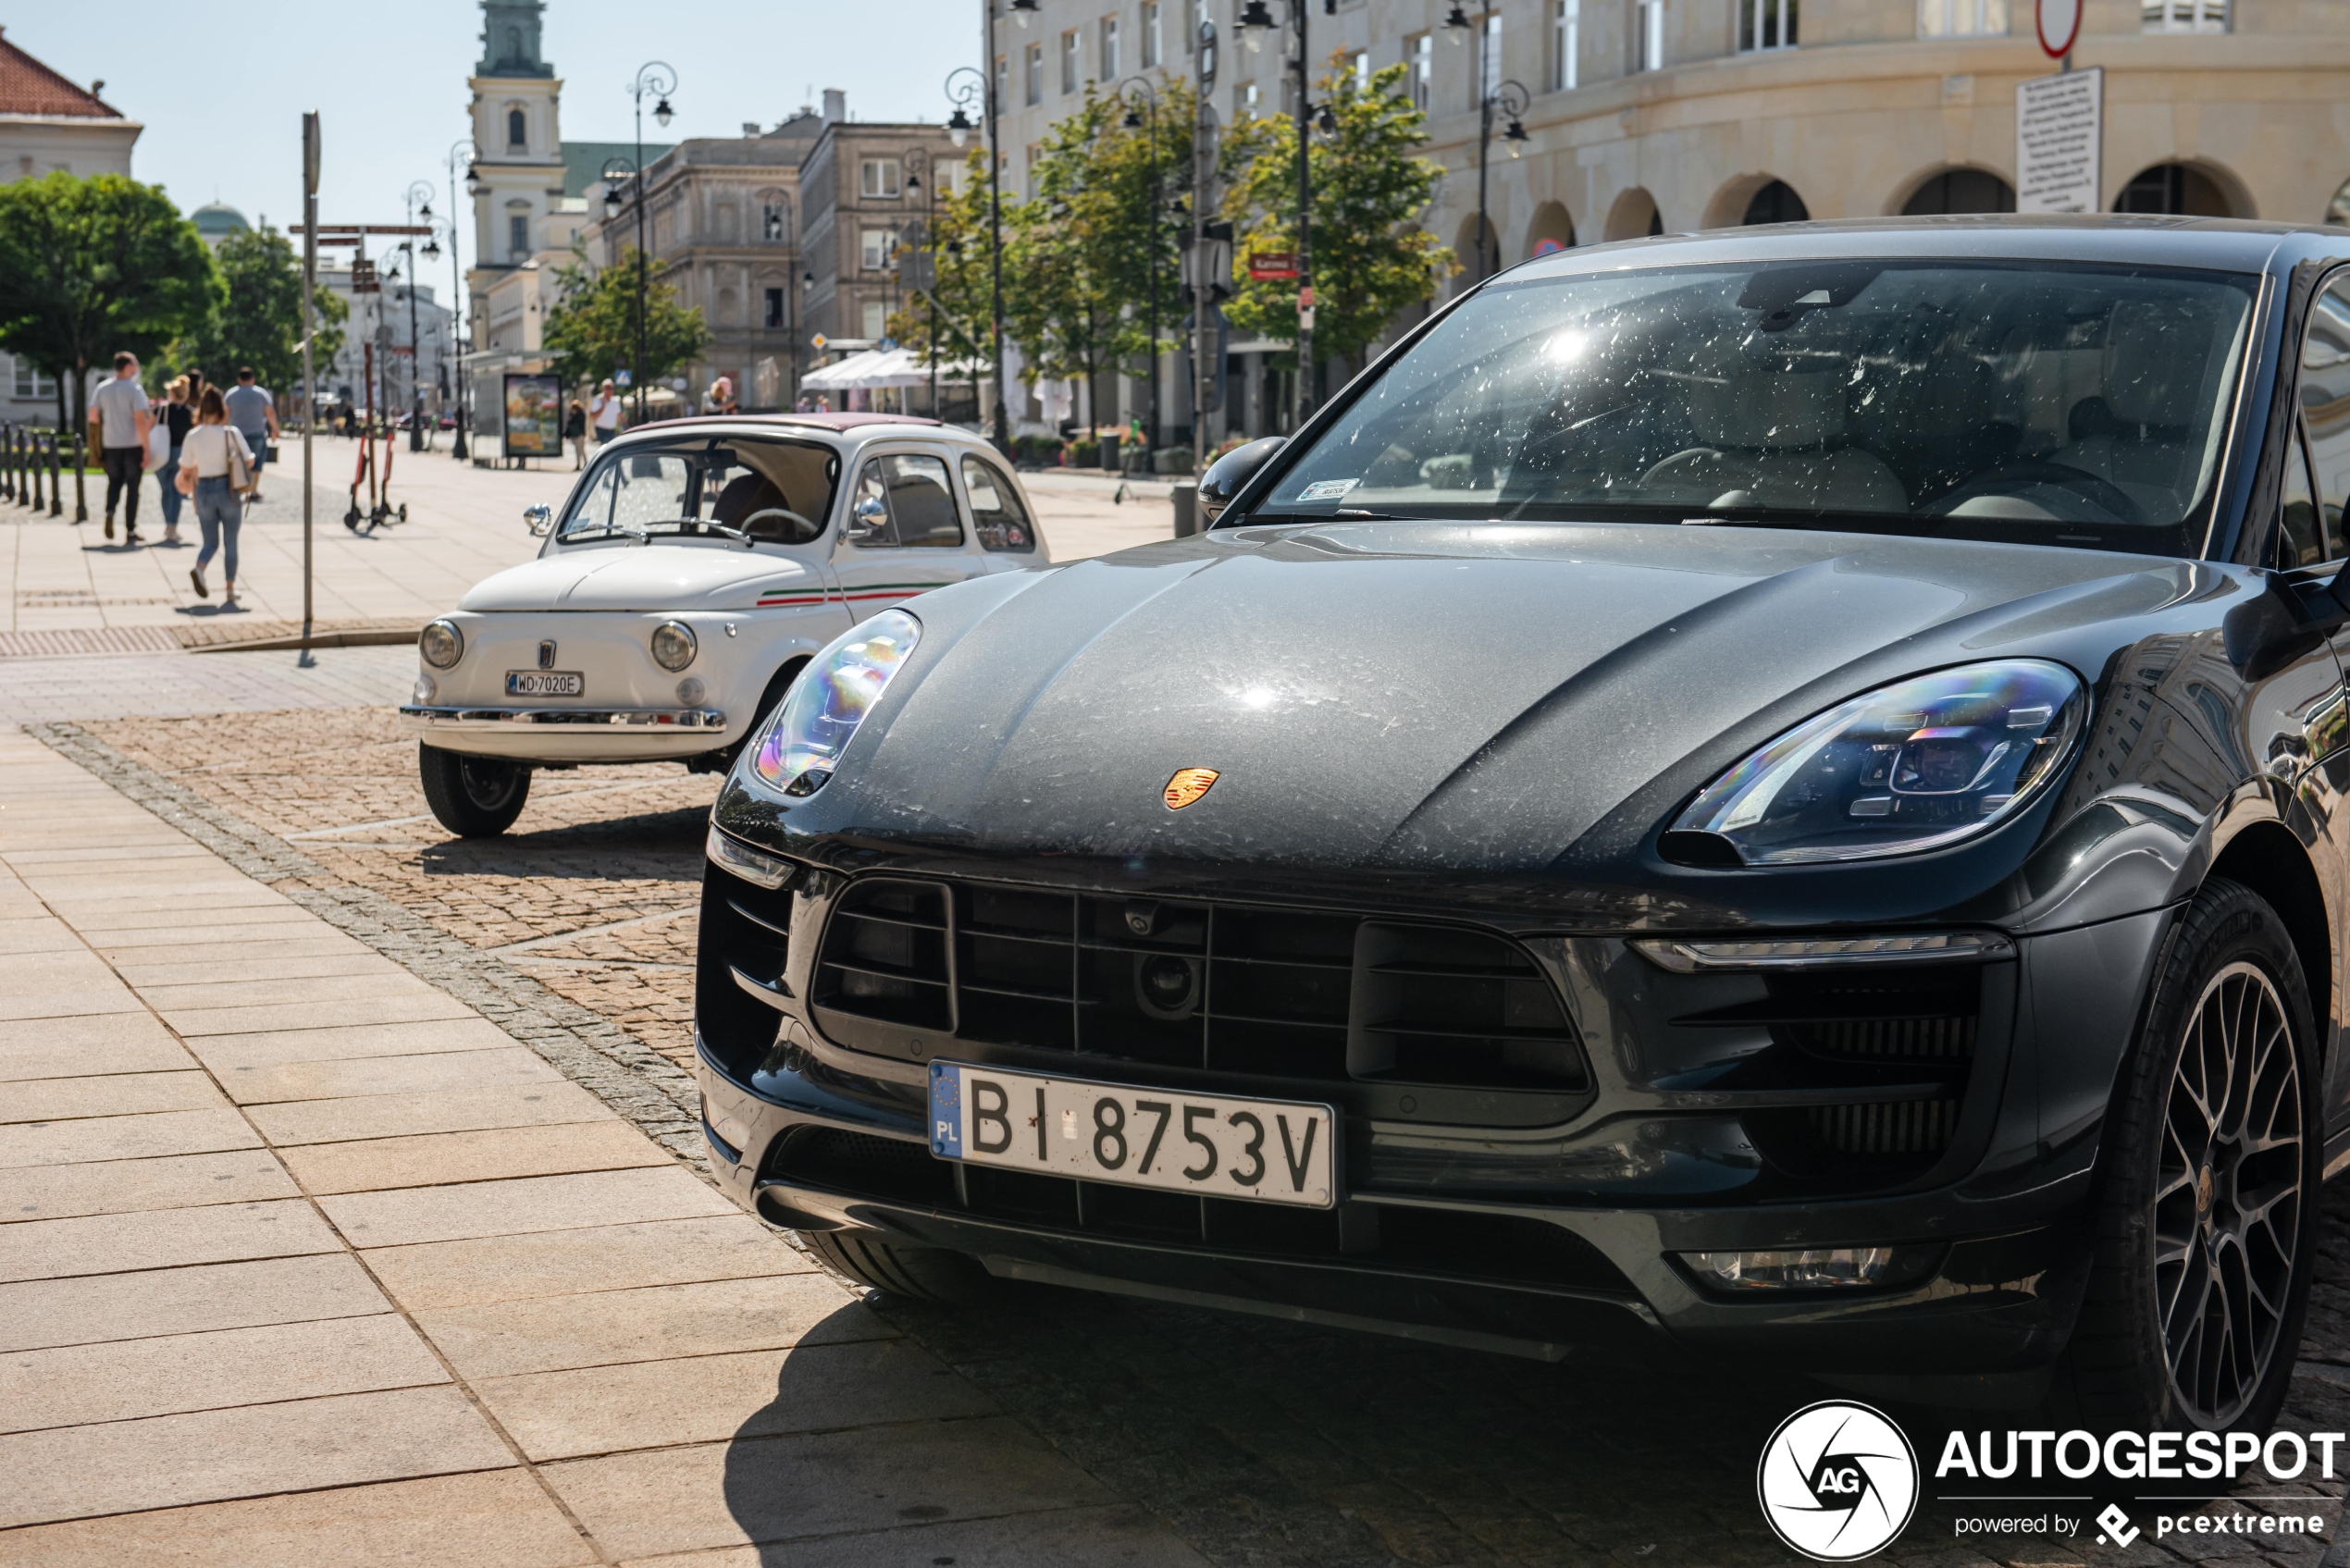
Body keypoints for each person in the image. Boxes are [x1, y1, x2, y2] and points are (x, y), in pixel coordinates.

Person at [179, 386, 254, 605]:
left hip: (203, 490)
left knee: (210, 542)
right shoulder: (231, 433)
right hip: (227, 489)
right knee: (231, 542)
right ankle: (230, 590)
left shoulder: (193, 436)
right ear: (222, 409)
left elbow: (185, 469)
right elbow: (249, 460)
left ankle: (199, 568)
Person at [89, 352, 154, 544]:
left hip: (111, 444)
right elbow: (140, 421)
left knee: (114, 482)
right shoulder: (135, 390)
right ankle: (130, 530)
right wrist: (147, 449)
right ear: (128, 366)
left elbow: (92, 416)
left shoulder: (102, 388)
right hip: (132, 445)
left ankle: (110, 512)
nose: (137, 367)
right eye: (135, 363)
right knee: (133, 488)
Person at [222, 367, 278, 503]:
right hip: (257, 433)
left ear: (239, 379)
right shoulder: (261, 393)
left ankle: (239, 488)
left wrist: (223, 431)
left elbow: (225, 415)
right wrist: (275, 429)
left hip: (236, 434)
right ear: (253, 379)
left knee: (238, 462)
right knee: (257, 464)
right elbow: (269, 412)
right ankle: (252, 490)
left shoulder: (231, 394)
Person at [155, 377, 193, 546]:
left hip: (161, 455)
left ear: (171, 392)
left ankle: (168, 524)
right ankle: (172, 527)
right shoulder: (191, 413)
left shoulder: (160, 410)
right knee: (176, 491)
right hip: (181, 455)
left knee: (165, 491)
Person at [589, 378, 622, 444]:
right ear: (603, 389)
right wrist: (603, 407)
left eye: (611, 388)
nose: (609, 390)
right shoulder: (597, 400)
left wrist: (626, 428)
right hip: (601, 430)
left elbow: (620, 416)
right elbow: (593, 416)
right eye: (607, 388)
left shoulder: (615, 401)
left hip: (612, 430)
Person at [564, 398, 588, 469]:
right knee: (580, 450)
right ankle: (583, 463)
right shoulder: (579, 414)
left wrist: (572, 414)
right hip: (578, 434)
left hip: (579, 434)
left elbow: (572, 422)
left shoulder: (579, 414)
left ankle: (583, 463)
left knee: (580, 450)